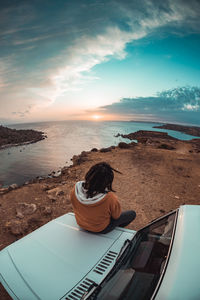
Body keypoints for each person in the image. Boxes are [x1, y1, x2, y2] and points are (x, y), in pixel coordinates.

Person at [70, 162, 136, 234]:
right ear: (107, 182)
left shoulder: (76, 189)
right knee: (132, 214)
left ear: (89, 174)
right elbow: (116, 216)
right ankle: (115, 229)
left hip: (81, 224)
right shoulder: (109, 197)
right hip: (100, 229)